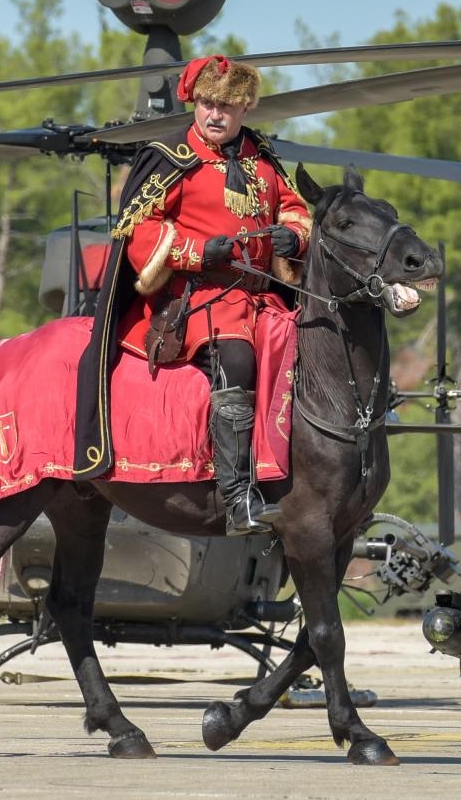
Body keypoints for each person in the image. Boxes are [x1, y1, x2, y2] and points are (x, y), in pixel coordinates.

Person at [76, 55, 311, 535]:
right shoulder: (171, 157)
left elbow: (294, 208)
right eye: (207, 103)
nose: (215, 115)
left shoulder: (262, 158)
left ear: (245, 108)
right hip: (197, 300)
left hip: (262, 298)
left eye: (227, 106)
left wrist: (294, 236)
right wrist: (200, 251)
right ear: (194, 102)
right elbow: (137, 233)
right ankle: (238, 495)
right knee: (238, 360)